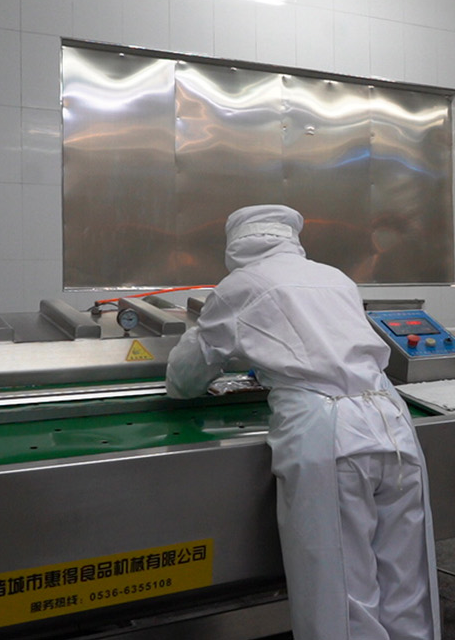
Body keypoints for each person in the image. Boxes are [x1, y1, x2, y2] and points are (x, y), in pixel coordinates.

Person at [165, 204, 440, 639]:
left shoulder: (238, 285)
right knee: (407, 577)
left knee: (341, 586)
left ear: (235, 245)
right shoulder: (335, 277)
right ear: (291, 239)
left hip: (328, 431)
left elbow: (185, 378)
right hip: (391, 420)